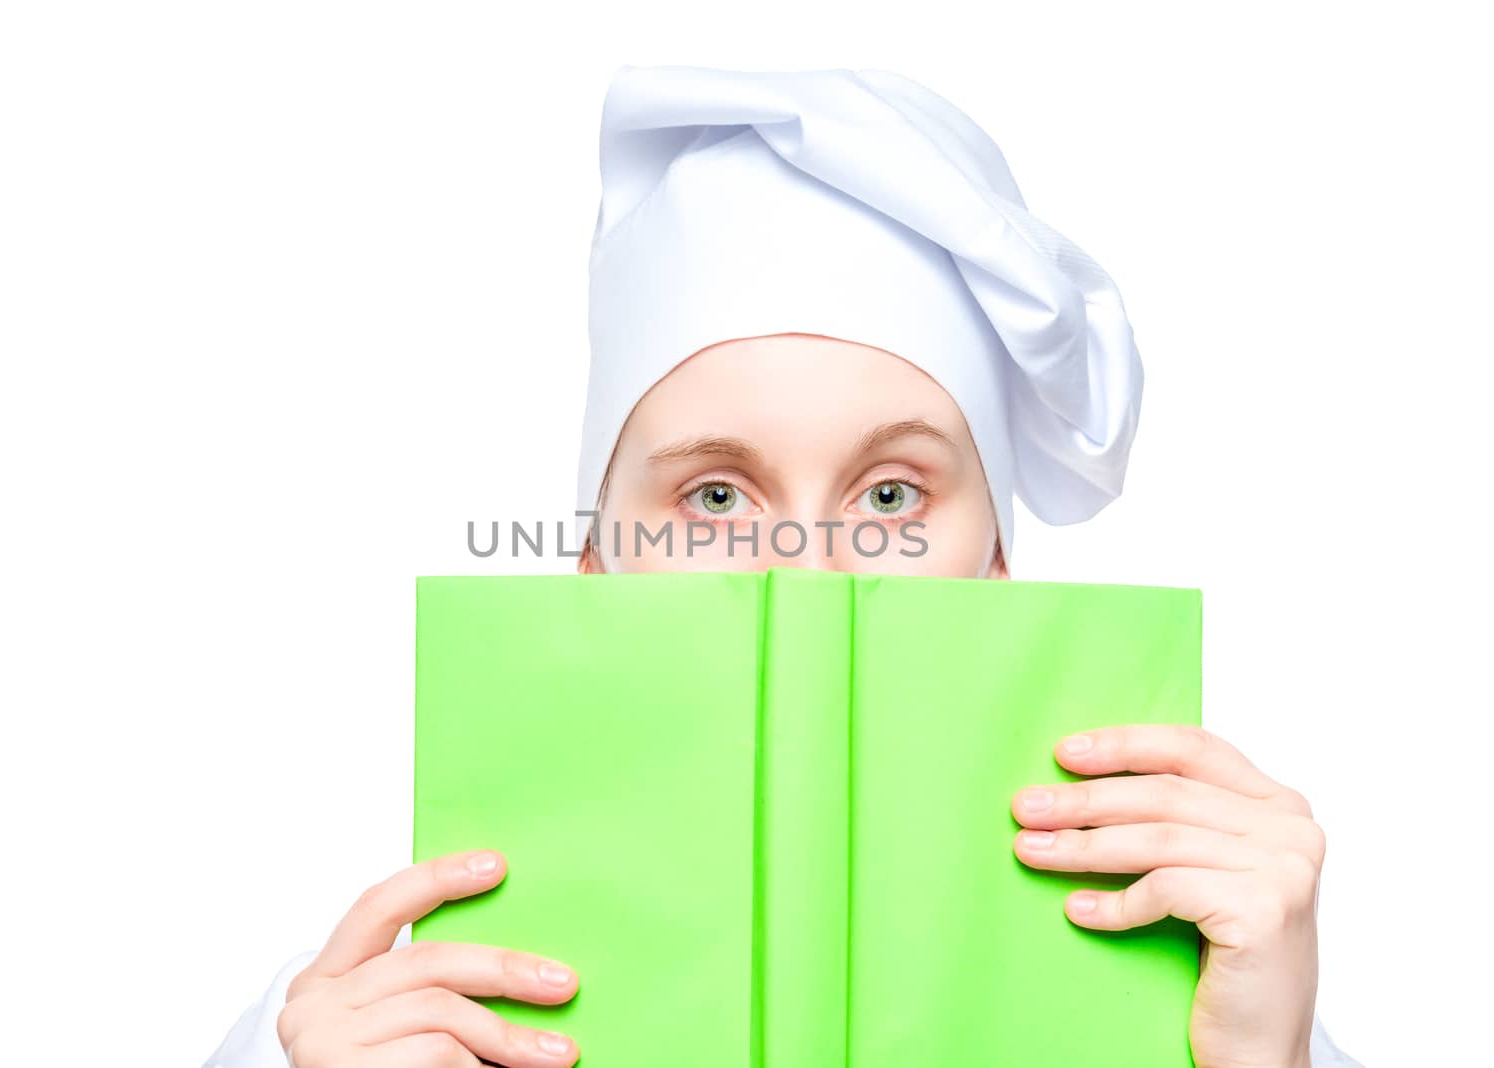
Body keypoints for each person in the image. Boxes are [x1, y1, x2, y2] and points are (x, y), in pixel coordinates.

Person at [206, 66, 1362, 1067]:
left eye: (892, 496)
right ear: (597, 565)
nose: (806, 572)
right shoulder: (362, 1018)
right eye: (714, 497)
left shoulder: (1213, 997)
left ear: (998, 567)